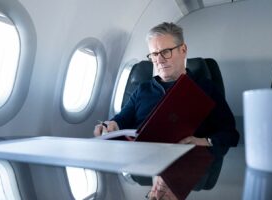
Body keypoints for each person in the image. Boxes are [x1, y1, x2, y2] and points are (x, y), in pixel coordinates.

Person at [94, 22, 239, 148]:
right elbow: (121, 120)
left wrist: (205, 142)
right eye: (154, 54)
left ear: (183, 50)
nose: (159, 60)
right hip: (142, 160)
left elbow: (230, 135)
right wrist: (109, 126)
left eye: (165, 52)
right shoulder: (142, 90)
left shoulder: (205, 88)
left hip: (184, 165)